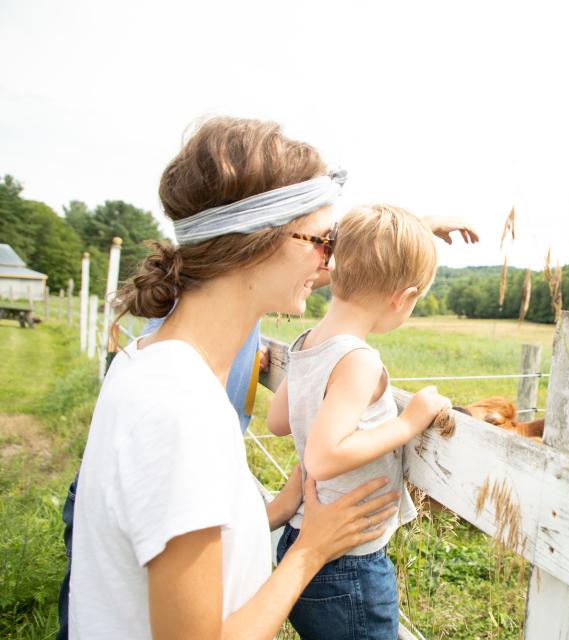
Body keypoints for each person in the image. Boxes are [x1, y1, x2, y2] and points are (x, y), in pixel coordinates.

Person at [68, 117, 404, 639]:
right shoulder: (181, 411)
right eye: (323, 239)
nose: (330, 263)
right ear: (263, 242)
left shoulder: (148, 360)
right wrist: (310, 551)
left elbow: (168, 535)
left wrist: (275, 511)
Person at [266, 204, 450, 639]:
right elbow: (325, 457)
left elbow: (277, 420)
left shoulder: (310, 342)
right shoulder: (358, 360)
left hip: (302, 541)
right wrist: (407, 424)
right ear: (402, 298)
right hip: (349, 562)